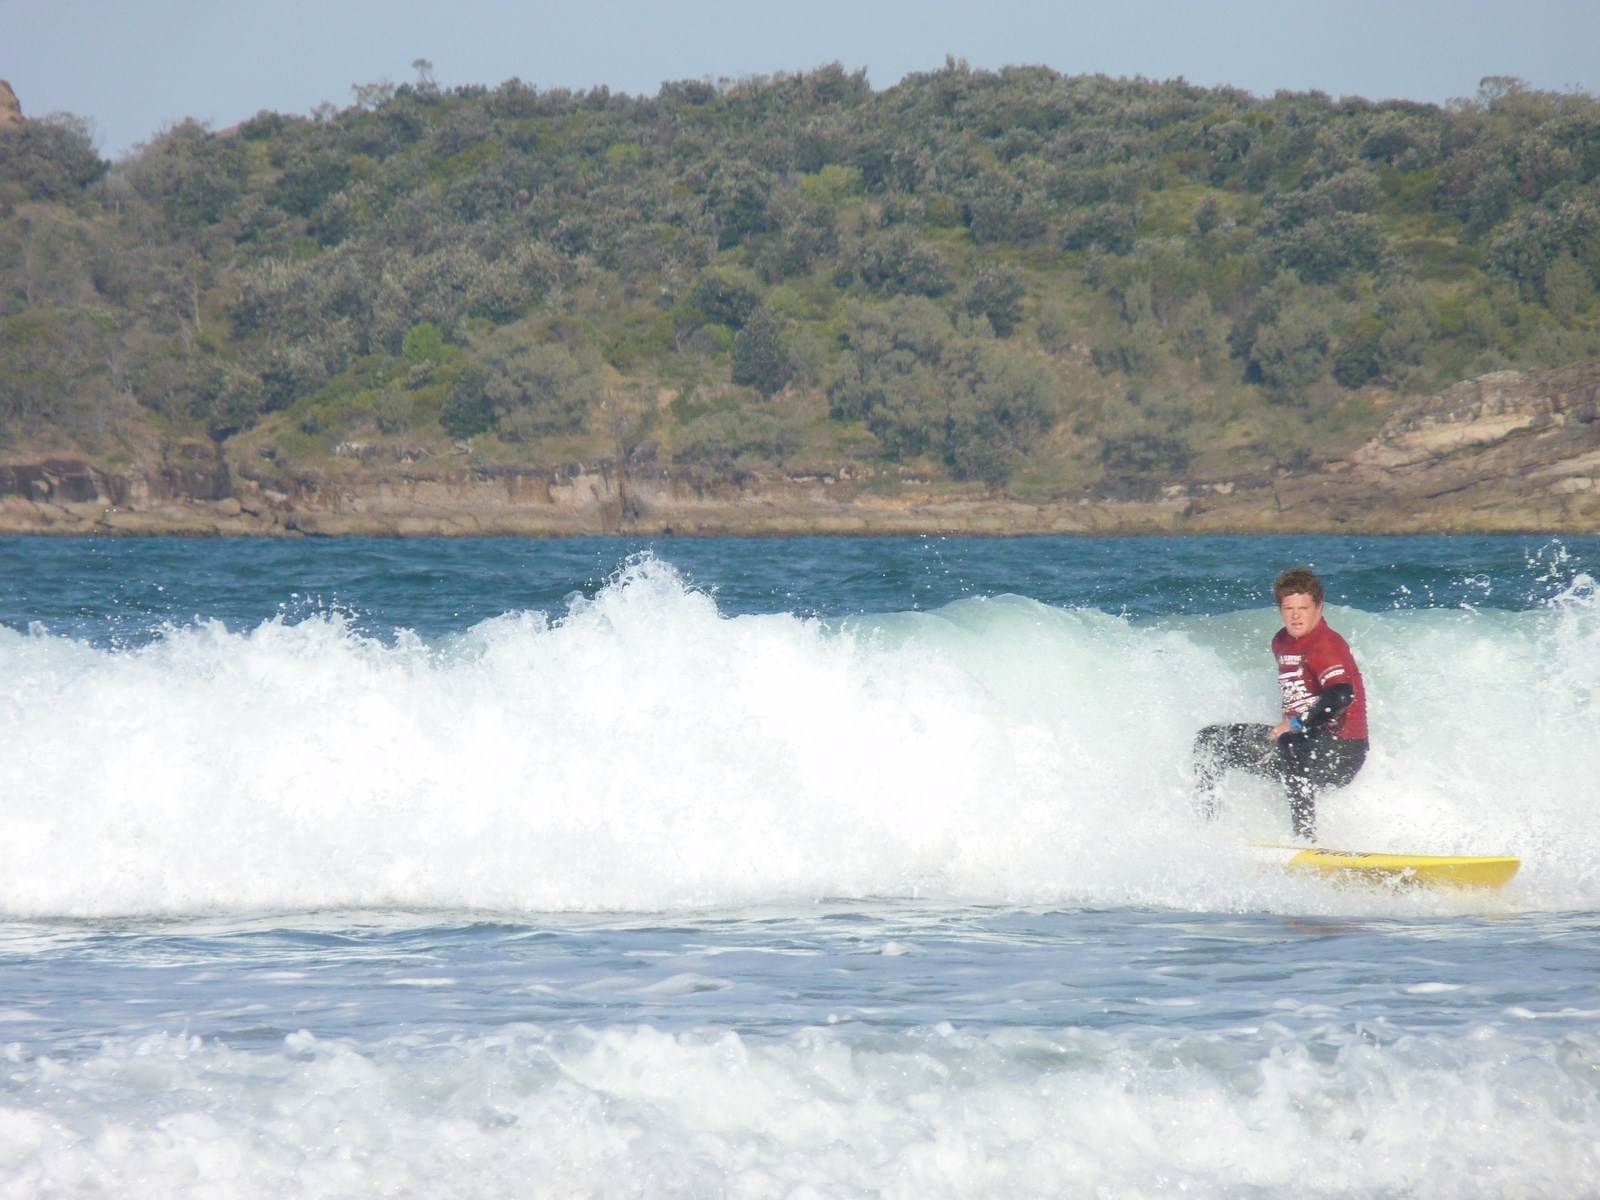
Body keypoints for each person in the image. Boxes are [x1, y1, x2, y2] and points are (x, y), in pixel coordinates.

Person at [1192, 566, 1368, 841]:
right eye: (1289, 608)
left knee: (1290, 741)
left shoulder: (1326, 645)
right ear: (1280, 608)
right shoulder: (1282, 641)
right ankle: (1206, 829)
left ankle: (1305, 841)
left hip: (1342, 753)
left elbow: (1342, 695)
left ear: (1319, 607)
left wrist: (1297, 723)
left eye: (1303, 608)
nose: (1296, 615)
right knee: (1211, 741)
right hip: (1302, 746)